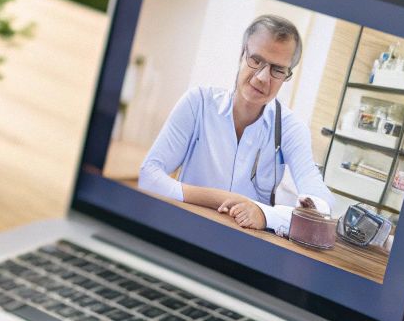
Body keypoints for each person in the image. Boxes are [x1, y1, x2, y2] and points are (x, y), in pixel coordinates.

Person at [137, 14, 332, 237]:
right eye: (256, 60)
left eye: (277, 70)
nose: (262, 77)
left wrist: (264, 215)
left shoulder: (291, 129)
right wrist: (227, 200)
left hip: (243, 243)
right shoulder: (198, 103)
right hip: (182, 231)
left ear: (287, 76)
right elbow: (148, 177)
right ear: (241, 55)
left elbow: (322, 208)